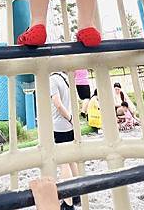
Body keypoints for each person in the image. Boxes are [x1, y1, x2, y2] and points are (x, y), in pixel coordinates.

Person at [49, 72, 80, 209]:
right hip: (69, 125)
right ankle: (78, 194)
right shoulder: (66, 77)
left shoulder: (52, 79)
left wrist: (69, 118)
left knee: (63, 163)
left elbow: (58, 104)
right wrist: (73, 120)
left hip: (60, 125)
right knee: (72, 160)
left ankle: (68, 203)